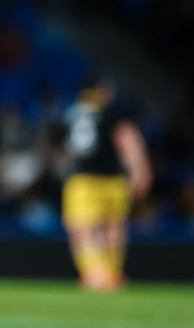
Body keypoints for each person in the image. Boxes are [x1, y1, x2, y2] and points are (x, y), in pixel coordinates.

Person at [62, 78, 151, 291]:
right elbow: (127, 136)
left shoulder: (73, 113)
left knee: (81, 229)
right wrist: (140, 168)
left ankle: (95, 273)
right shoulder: (111, 111)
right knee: (114, 227)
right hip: (113, 179)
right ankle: (112, 274)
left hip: (83, 179)